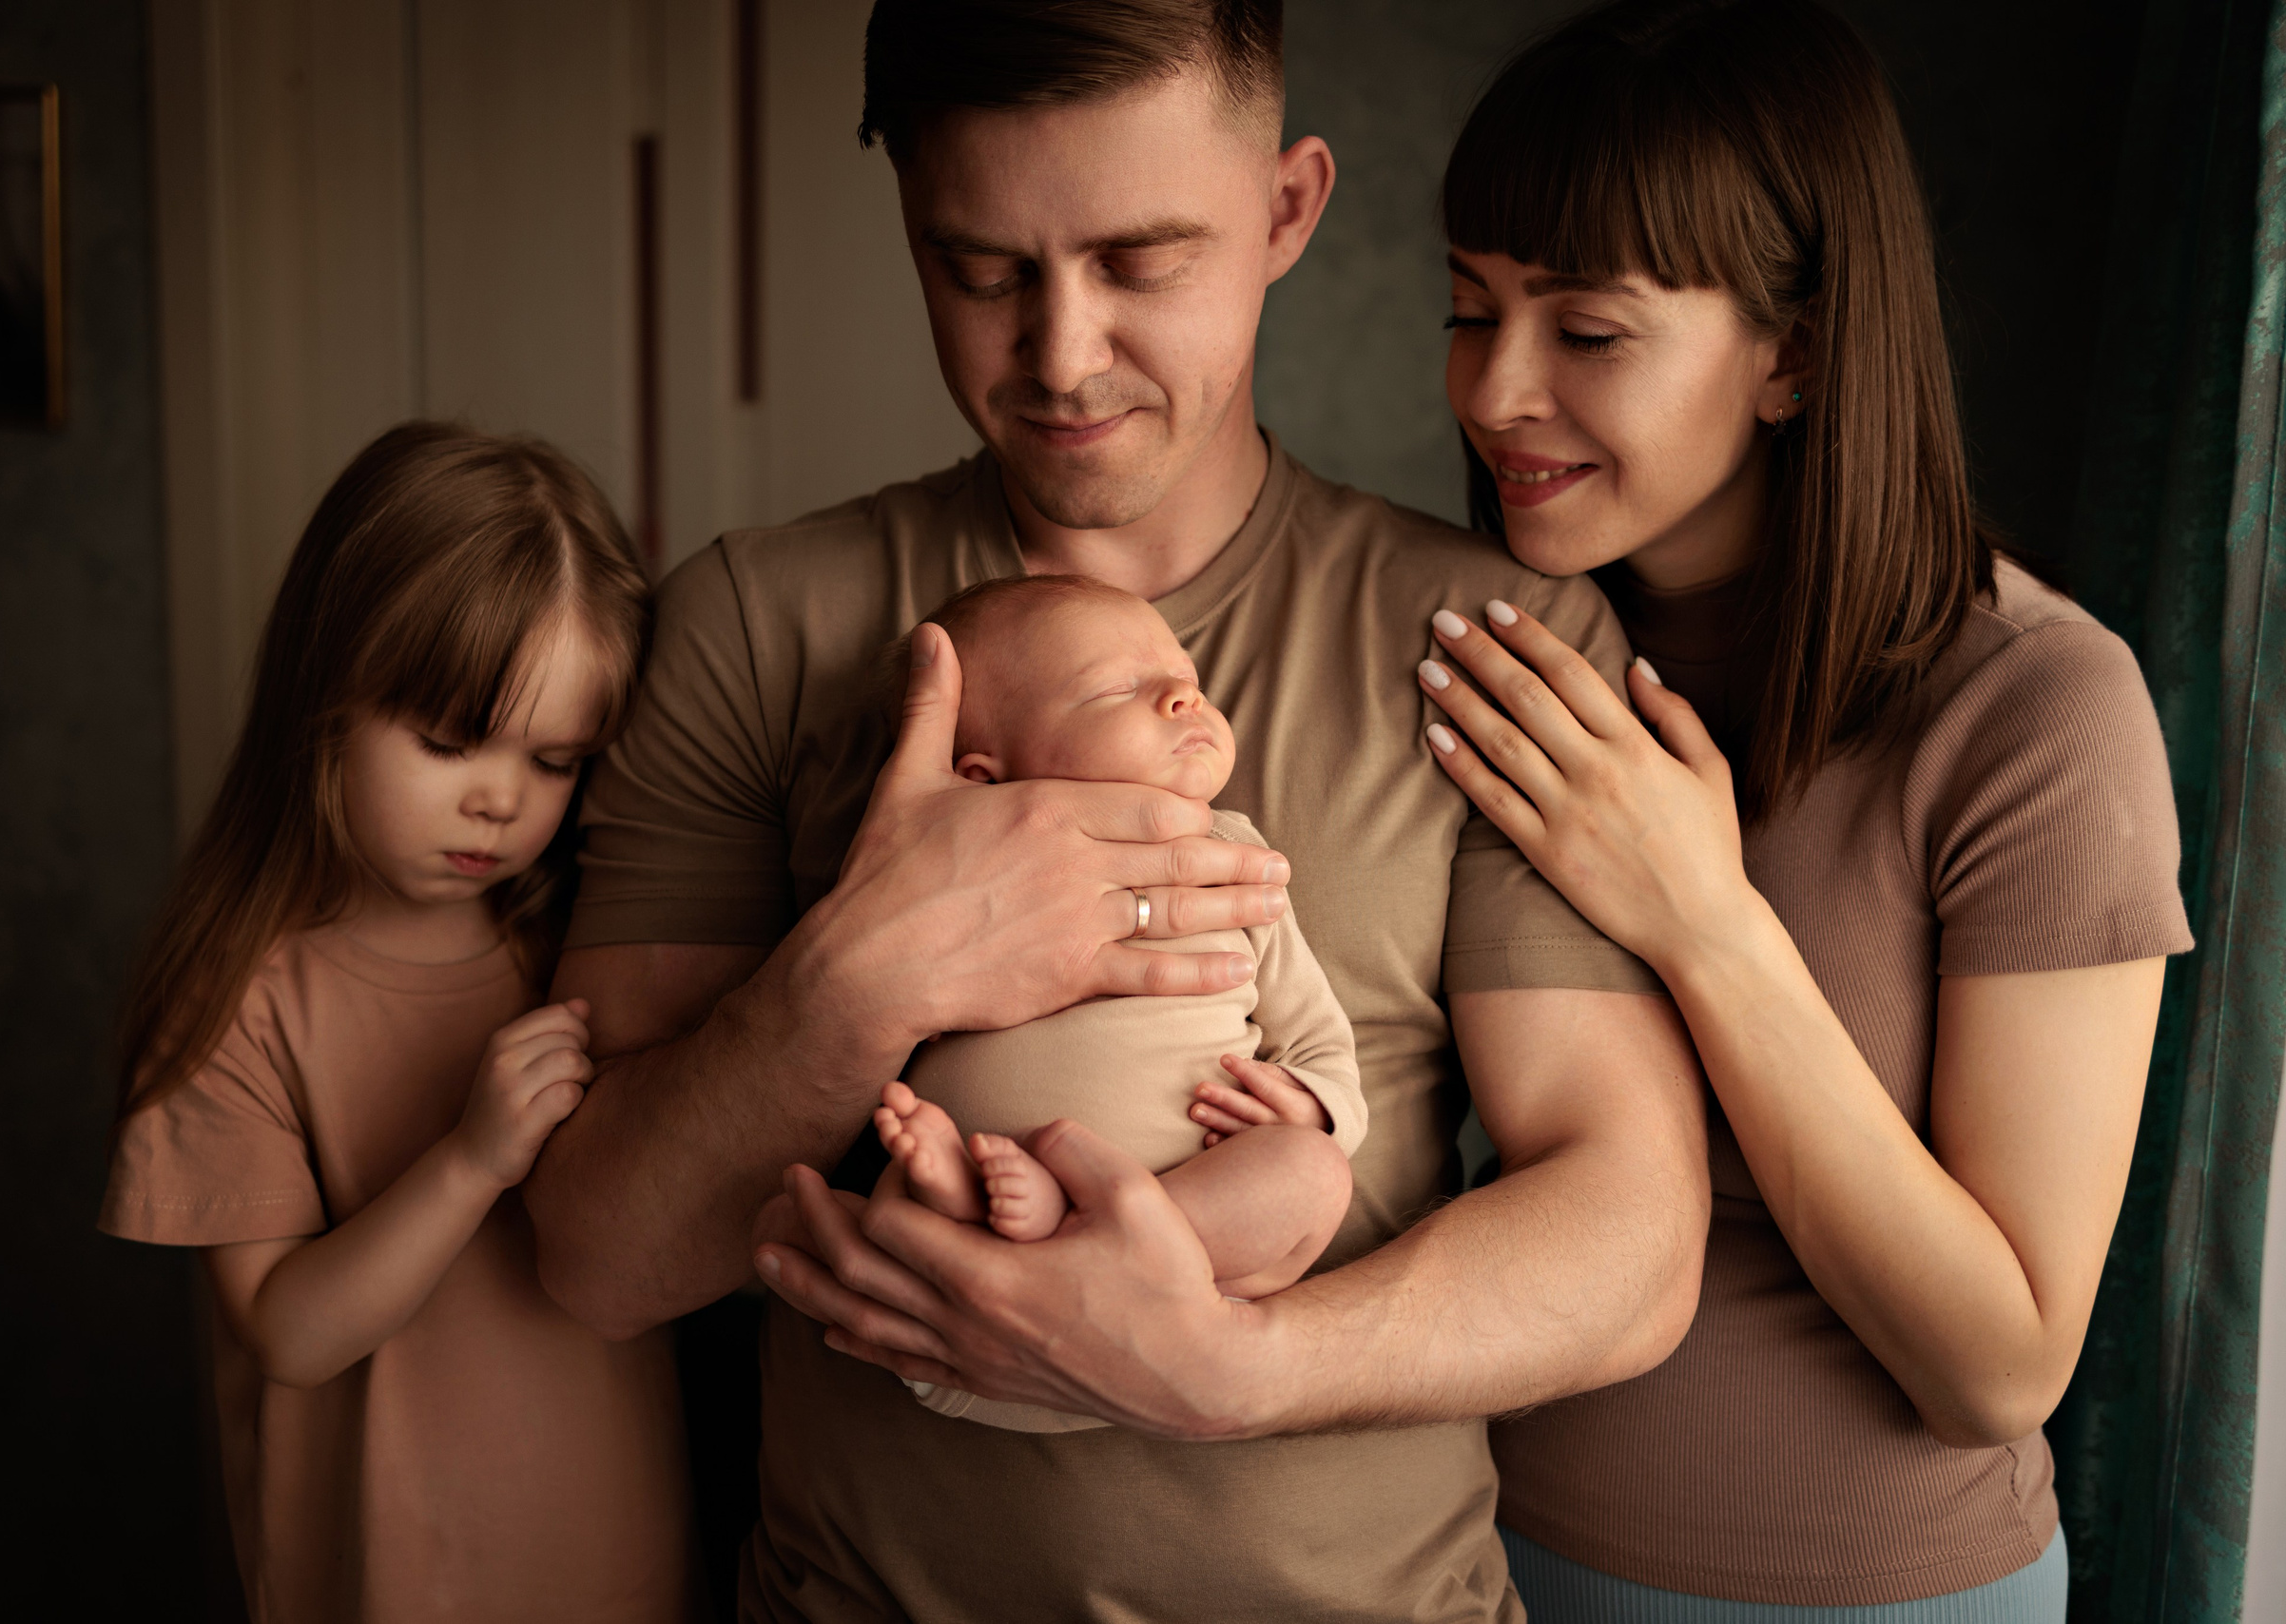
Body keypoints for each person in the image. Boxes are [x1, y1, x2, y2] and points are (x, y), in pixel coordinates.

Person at [524, 1, 1709, 1619]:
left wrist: (1230, 1368)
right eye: (984, 269)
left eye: (1140, 262)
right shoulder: (756, 622)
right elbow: (597, 1256)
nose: (1063, 353)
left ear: (1288, 209)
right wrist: (862, 976)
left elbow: (1631, 1237)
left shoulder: (1487, 648)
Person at [1407, 2, 2194, 1617]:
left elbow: (2002, 1363)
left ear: (1800, 352)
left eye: (1588, 331)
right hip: (1461, 1558)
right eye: (1468, 309)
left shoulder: (2041, 710)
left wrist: (1705, 920)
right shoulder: (1497, 657)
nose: (1494, 391)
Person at [101, 424, 695, 1623]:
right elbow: (290, 1333)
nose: (500, 798)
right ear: (326, 696)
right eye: (446, 741)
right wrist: (471, 1160)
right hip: (391, 1582)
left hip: (622, 1560)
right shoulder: (239, 994)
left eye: (555, 758)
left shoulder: (573, 945)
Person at [870, 572, 1365, 1432]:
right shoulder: (953, 869)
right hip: (967, 1316)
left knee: (1313, 1175)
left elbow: (1321, 1039)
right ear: (983, 778)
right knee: (888, 1187)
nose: (1182, 697)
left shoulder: (1233, 857)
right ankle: (963, 1210)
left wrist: (1316, 1109)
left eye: (1188, 682)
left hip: (1165, 1301)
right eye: (1116, 689)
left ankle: (1109, 1236)